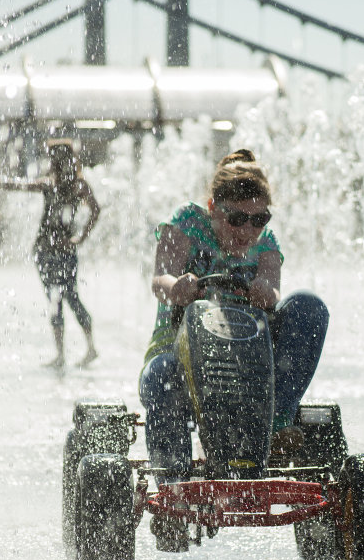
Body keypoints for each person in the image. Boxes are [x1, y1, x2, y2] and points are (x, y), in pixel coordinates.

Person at [139, 149, 329, 489]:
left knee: (308, 307)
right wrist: (177, 287)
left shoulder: (266, 244)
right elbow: (159, 279)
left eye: (259, 219)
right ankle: (174, 486)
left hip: (247, 357)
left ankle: (277, 422)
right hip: (182, 350)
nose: (248, 230)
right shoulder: (186, 222)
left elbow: (272, 288)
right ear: (213, 209)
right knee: (160, 378)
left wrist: (265, 291)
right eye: (237, 219)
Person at [0, 139, 100, 368]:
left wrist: (78, 239)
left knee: (66, 299)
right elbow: (17, 185)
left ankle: (83, 350)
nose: (52, 162)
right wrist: (78, 239)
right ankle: (68, 353)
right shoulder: (61, 184)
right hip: (48, 251)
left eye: (54, 158)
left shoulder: (73, 185)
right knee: (61, 299)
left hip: (54, 251)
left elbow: (96, 210)